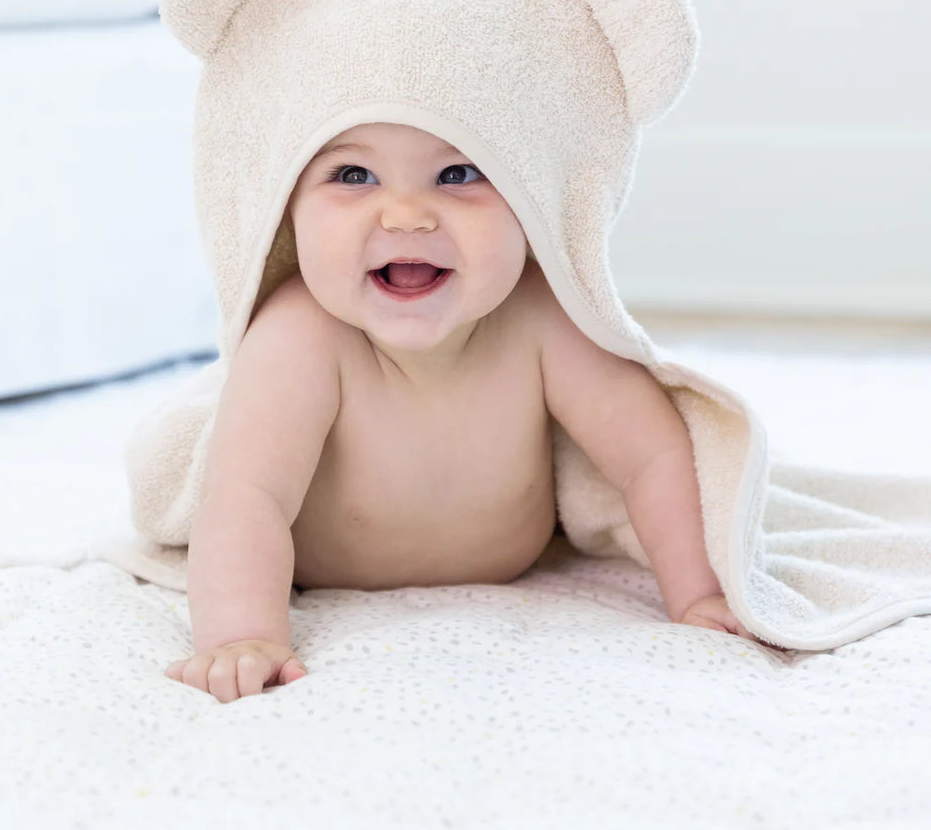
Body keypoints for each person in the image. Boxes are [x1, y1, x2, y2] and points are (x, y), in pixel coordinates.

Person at [164, 120, 758, 703]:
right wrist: (243, 634)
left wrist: (699, 594)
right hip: (318, 571)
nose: (406, 215)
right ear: (285, 210)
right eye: (352, 174)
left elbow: (649, 455)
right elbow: (246, 493)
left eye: (458, 173)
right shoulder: (299, 337)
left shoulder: (542, 318)